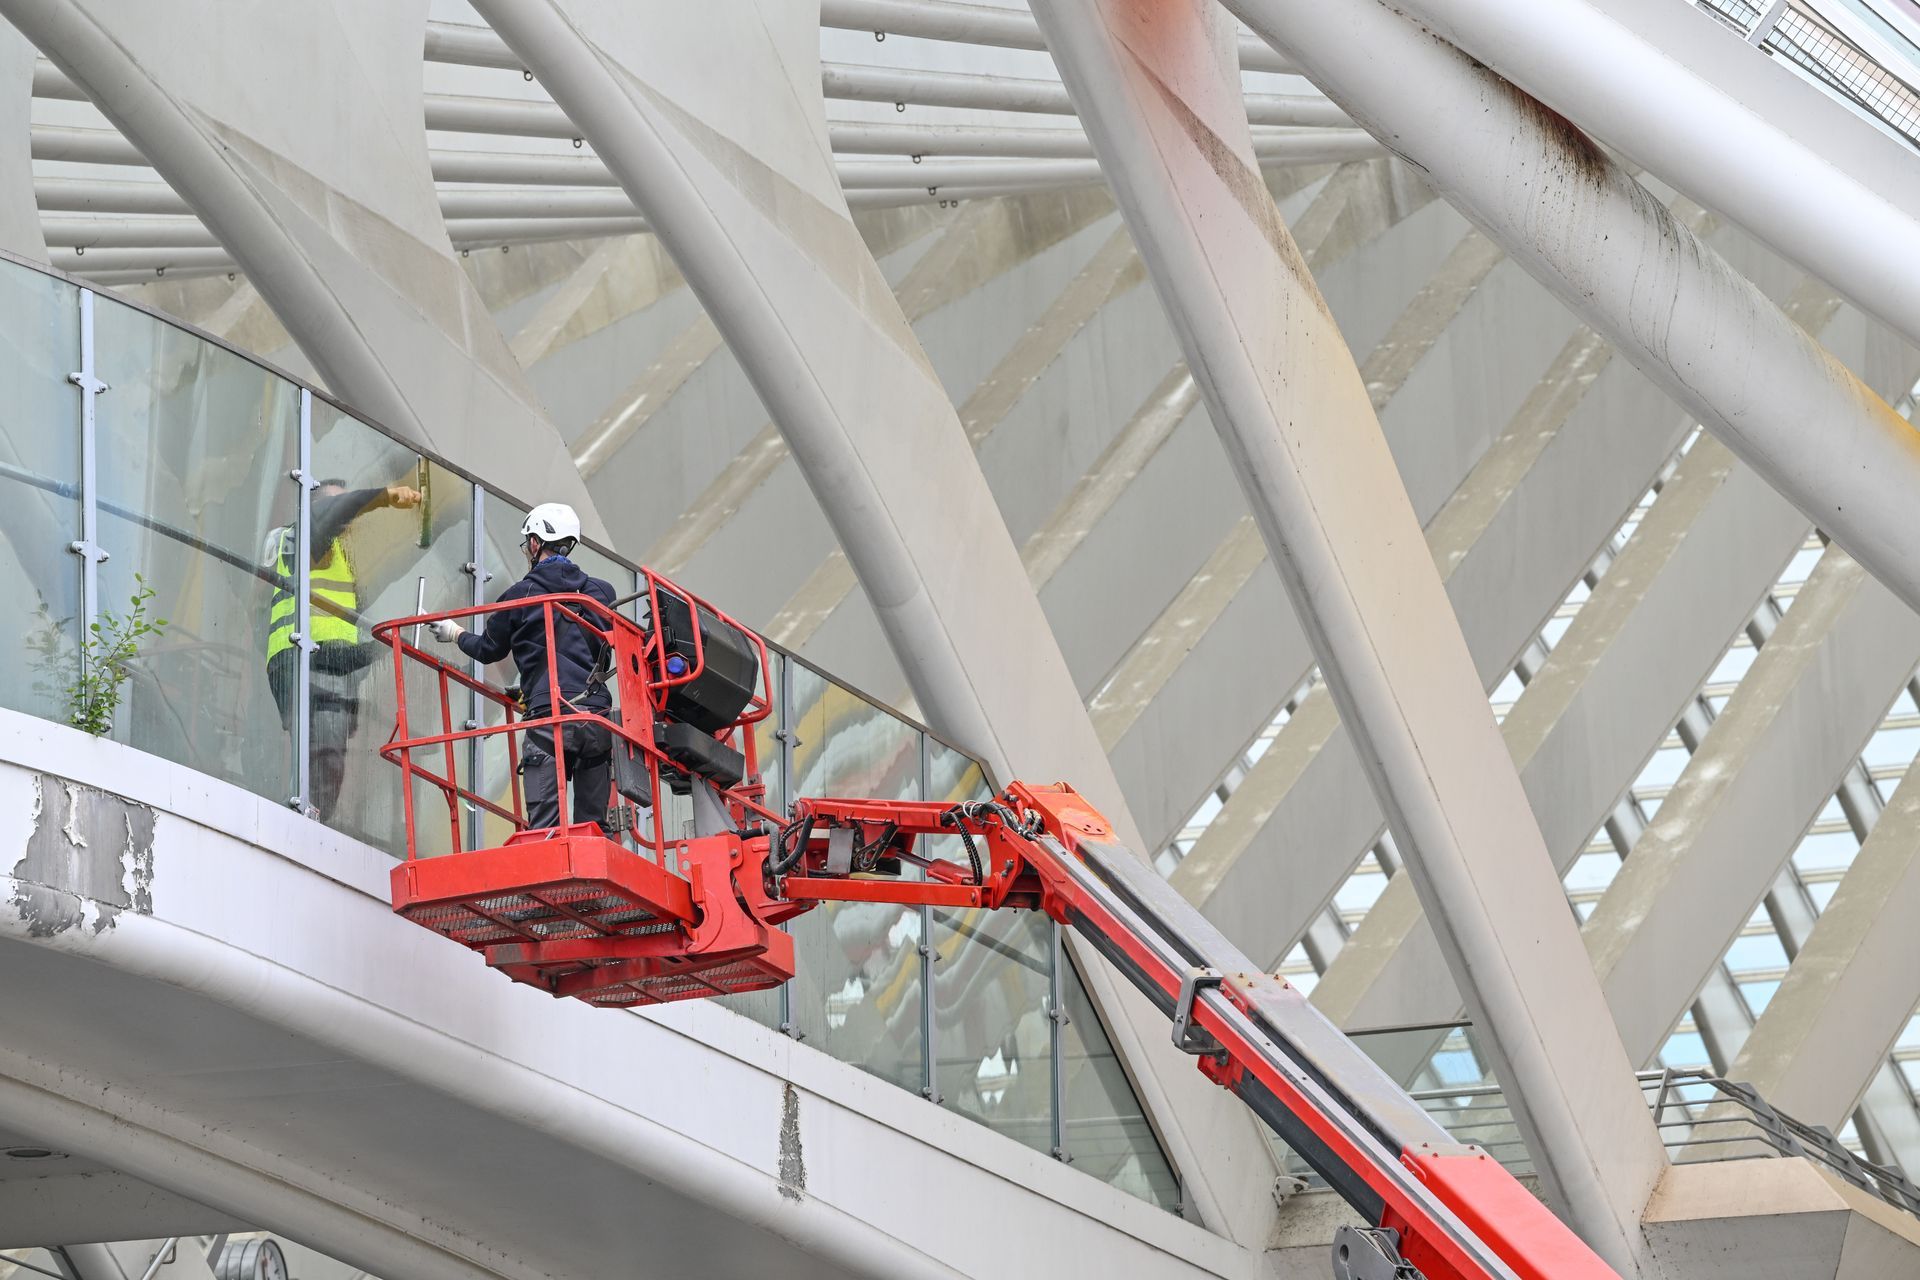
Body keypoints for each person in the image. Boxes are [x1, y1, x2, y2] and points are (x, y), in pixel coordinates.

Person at [428, 502, 617, 834]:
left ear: (534, 543)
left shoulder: (519, 596)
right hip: (596, 717)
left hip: (550, 715)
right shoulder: (601, 593)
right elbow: (598, 652)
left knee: (545, 830)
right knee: (593, 828)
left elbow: (488, 649)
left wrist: (455, 634)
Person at [265, 478, 422, 821]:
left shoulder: (335, 556)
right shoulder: (308, 537)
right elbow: (334, 512)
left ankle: (311, 817)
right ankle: (307, 821)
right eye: (338, 504)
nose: (347, 515)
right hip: (306, 657)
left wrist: (384, 647)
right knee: (324, 754)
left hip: (320, 661)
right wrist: (384, 497)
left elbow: (343, 647)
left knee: (327, 756)